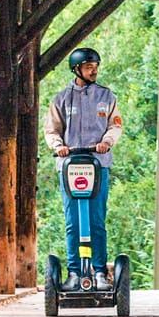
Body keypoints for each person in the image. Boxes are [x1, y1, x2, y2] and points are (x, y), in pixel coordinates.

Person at [44, 47, 122, 291]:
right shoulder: (61, 99)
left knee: (97, 220)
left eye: (96, 66)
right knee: (73, 222)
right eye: (89, 67)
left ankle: (99, 272)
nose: (94, 70)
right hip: (70, 167)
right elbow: (51, 130)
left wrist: (106, 142)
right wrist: (59, 147)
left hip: (98, 165)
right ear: (77, 69)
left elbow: (115, 125)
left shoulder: (106, 96)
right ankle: (74, 273)